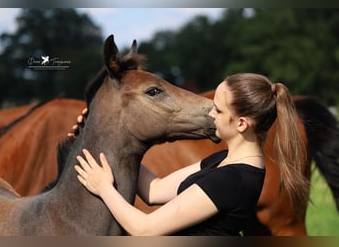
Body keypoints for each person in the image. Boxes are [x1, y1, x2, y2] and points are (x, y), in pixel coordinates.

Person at [72, 73, 308, 236]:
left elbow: (144, 229)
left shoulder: (232, 180)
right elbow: (154, 190)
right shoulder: (222, 162)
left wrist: (104, 187)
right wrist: (107, 141)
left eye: (218, 109)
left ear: (242, 123)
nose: (210, 113)